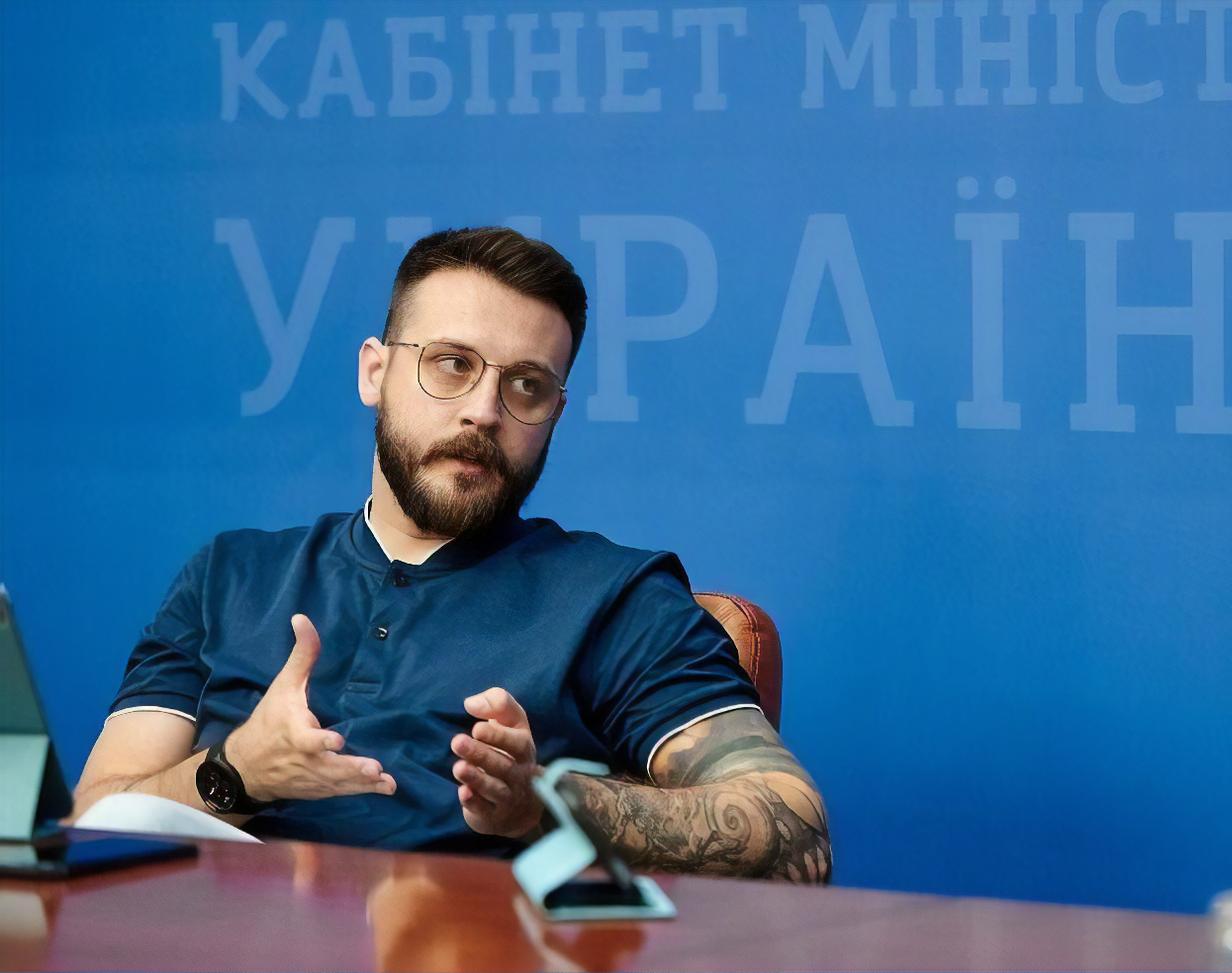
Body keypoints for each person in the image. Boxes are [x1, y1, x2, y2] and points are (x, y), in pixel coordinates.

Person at [73, 227, 831, 882]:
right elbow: (91, 821)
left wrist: (543, 803)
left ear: (555, 414)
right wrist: (236, 772)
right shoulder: (230, 576)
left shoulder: (616, 595)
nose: (483, 410)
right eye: (451, 363)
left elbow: (794, 825)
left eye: (527, 385)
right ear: (375, 372)